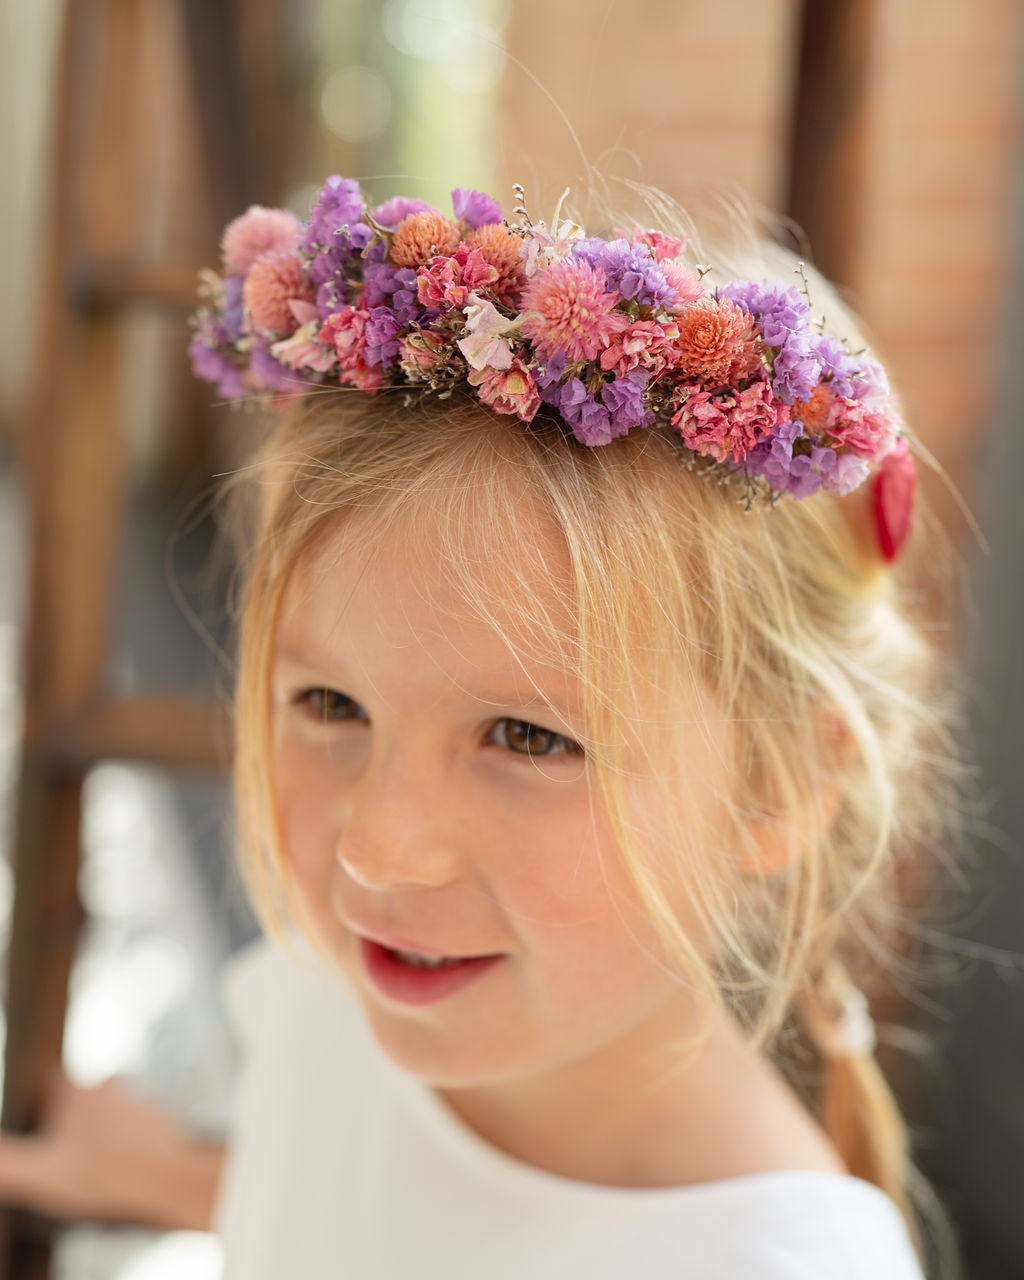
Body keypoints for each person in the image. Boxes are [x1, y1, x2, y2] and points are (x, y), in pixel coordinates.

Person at [0, 175, 959, 1277]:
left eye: (528, 736)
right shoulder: (347, 997)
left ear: (776, 784)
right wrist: (183, 1178)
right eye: (331, 703)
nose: (376, 849)